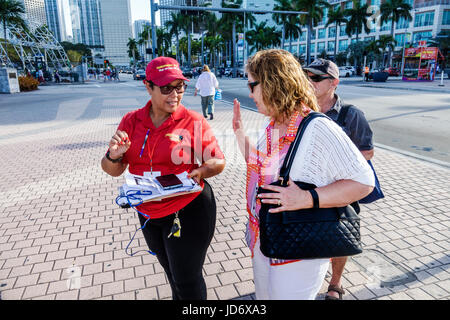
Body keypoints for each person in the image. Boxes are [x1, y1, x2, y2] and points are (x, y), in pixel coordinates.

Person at [232, 49, 374, 300]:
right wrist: (239, 133)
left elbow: (363, 182)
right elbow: (260, 166)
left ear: (273, 83)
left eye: (252, 85)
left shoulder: (317, 127)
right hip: (266, 238)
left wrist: (307, 198)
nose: (250, 93)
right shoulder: (274, 124)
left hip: (298, 245)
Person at [101, 56, 226, 300]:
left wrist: (201, 171)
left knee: (186, 279)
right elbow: (111, 169)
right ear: (148, 86)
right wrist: (114, 156)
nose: (174, 94)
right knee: (172, 275)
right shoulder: (131, 121)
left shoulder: (192, 121)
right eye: (166, 88)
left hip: (187, 210)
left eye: (179, 87)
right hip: (148, 213)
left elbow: (218, 160)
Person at [304, 58, 374, 300]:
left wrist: (338, 168)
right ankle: (311, 275)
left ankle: (335, 283)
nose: (309, 81)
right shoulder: (302, 110)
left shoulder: (350, 114)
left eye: (315, 77)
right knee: (309, 234)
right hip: (308, 189)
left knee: (341, 236)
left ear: (334, 82)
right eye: (307, 76)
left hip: (340, 190)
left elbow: (367, 151)